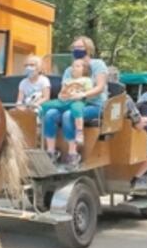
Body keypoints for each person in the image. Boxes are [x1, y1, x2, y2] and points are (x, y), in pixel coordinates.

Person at [41, 36, 108, 168]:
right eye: (74, 48)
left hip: (94, 104)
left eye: (80, 47)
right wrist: (63, 95)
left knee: (68, 115)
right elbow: (64, 89)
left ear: (88, 49)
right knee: (50, 114)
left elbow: (100, 87)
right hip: (70, 103)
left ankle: (73, 153)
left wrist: (83, 94)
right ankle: (51, 151)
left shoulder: (97, 64)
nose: (76, 50)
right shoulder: (69, 70)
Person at [39, 59, 93, 151]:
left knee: (77, 109)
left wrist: (80, 95)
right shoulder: (67, 80)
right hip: (64, 101)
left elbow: (88, 92)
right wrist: (61, 96)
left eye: (77, 66)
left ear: (84, 69)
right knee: (45, 105)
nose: (74, 68)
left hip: (77, 101)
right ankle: (39, 123)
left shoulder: (87, 80)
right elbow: (61, 92)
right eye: (73, 66)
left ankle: (79, 132)